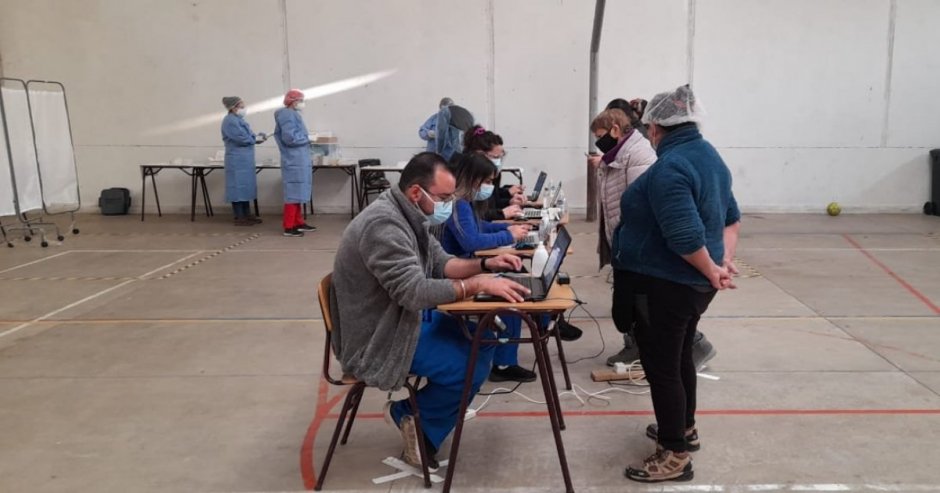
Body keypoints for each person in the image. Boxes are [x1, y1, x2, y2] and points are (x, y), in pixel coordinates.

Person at [330, 151, 530, 469]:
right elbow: (414, 292)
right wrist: (477, 284)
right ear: (416, 192)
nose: (450, 204)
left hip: (399, 321)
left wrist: (484, 264)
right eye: (445, 197)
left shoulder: (408, 215)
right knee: (468, 363)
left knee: (483, 337)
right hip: (379, 336)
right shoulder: (384, 226)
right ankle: (414, 418)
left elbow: (441, 262)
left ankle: (421, 417)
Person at [611, 85, 740, 483]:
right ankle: (683, 428)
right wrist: (721, 262)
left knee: (662, 367)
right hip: (691, 286)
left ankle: (674, 454)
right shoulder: (708, 156)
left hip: (667, 285)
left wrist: (710, 268)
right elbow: (730, 219)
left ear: (654, 128)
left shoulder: (670, 168)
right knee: (681, 354)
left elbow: (683, 236)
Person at [595, 101, 718, 371]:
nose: (598, 143)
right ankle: (658, 348)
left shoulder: (643, 157)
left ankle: (676, 347)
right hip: (625, 242)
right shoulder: (620, 153)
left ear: (615, 129)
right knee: (642, 312)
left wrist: (713, 269)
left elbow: (646, 207)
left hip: (637, 248)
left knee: (654, 320)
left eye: (600, 136)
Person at [441, 153, 535, 383]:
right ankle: (504, 364)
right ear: (474, 179)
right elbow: (471, 241)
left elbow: (478, 226)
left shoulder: (464, 203)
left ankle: (542, 324)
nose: (490, 187)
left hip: (461, 265)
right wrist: (507, 235)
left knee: (518, 275)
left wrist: (506, 227)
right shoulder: (458, 204)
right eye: (488, 181)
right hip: (456, 271)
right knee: (511, 296)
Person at [273, 89, 316, 237]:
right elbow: (289, 138)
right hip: (293, 160)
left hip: (299, 159)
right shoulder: (287, 115)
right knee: (293, 193)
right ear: (293, 101)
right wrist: (307, 139)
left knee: (299, 192)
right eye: (300, 100)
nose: (302, 103)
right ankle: (289, 226)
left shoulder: (292, 114)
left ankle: (298, 222)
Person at [459, 125, 525, 221]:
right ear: (479, 154)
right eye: (495, 157)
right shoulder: (466, 179)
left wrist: (509, 202)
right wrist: (502, 214)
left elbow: (492, 203)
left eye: (500, 157)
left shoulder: (491, 174)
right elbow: (477, 216)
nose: (498, 161)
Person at [221, 96, 264, 226]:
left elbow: (247, 135)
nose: (243, 109)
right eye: (241, 106)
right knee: (238, 188)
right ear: (233, 108)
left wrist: (257, 137)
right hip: (236, 160)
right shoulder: (230, 121)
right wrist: (254, 139)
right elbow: (240, 138)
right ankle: (239, 216)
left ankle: (247, 214)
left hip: (244, 160)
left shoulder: (239, 120)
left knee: (245, 188)